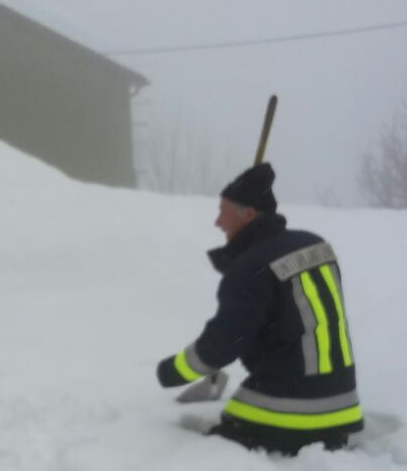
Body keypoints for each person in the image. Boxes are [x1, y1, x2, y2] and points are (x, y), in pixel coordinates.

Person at [155, 162, 363, 455]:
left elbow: (222, 344)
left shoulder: (250, 270)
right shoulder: (316, 246)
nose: (217, 222)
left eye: (223, 212)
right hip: (344, 408)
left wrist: (169, 373)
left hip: (287, 413)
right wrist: (239, 262)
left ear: (249, 215)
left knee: (205, 456)